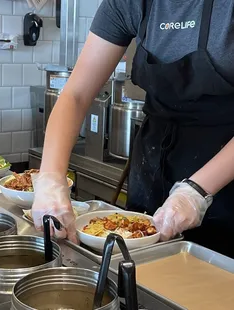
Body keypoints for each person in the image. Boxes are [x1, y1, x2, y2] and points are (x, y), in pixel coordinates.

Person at [31, 0, 234, 258]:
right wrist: (50, 179)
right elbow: (77, 94)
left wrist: (196, 192)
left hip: (225, 174)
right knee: (138, 271)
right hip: (154, 159)